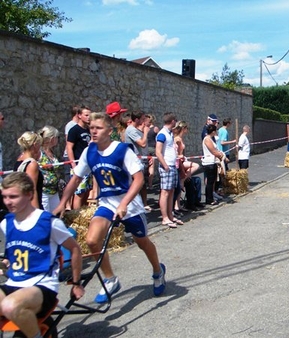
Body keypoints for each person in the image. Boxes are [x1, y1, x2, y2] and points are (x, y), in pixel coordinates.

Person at [54, 112, 166, 304]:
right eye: (91, 128)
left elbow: (138, 180)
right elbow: (76, 179)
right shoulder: (89, 152)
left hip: (129, 205)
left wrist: (124, 204)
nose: (94, 132)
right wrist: (62, 202)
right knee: (91, 240)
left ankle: (158, 270)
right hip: (106, 203)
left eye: (98, 128)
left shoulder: (122, 150)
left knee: (142, 242)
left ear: (109, 130)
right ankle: (110, 279)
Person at [1, 172, 84, 338]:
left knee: (10, 306)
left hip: (41, 285)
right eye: (4, 197)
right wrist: (7, 263)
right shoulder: (6, 223)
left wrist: (76, 283)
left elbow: (75, 249)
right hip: (15, 282)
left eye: (13, 197)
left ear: (29, 194)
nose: (7, 202)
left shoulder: (49, 223)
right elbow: (14, 254)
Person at [154, 113, 182, 228]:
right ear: (172, 121)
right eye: (175, 120)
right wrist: (165, 165)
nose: (176, 122)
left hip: (172, 165)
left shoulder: (169, 133)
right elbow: (158, 152)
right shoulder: (162, 134)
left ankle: (170, 215)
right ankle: (165, 217)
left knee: (171, 192)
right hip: (167, 166)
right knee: (165, 192)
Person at [124, 110, 151, 212]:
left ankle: (141, 205)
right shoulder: (131, 130)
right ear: (136, 119)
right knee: (136, 184)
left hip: (139, 160)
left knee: (142, 183)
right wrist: (145, 132)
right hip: (133, 161)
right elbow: (142, 144)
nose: (144, 121)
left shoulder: (134, 129)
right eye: (143, 119)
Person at [66, 106, 91, 209]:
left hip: (88, 165)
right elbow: (69, 147)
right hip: (79, 165)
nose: (89, 117)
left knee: (86, 192)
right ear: (79, 115)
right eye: (86, 115)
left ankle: (84, 214)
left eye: (90, 115)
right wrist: (73, 165)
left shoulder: (89, 130)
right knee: (79, 193)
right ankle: (77, 216)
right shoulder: (74, 130)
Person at [14, 132, 43, 209]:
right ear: (35, 145)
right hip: (30, 207)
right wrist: (36, 214)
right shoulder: (32, 164)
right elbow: (32, 189)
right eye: (39, 144)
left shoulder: (19, 160)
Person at [38, 126, 63, 212]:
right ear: (52, 139)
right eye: (57, 137)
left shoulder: (52, 151)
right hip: (44, 191)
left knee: (55, 215)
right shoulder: (39, 153)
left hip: (54, 190)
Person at [202, 124, 229, 206]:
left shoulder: (210, 139)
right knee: (210, 181)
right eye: (215, 131)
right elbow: (213, 151)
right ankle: (209, 199)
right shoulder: (207, 139)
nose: (216, 132)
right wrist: (222, 157)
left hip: (212, 161)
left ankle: (210, 197)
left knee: (212, 180)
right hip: (209, 162)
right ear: (213, 131)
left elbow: (216, 150)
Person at [145, 114, 159, 189]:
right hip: (153, 148)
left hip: (146, 149)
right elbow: (158, 140)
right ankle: (150, 184)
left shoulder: (144, 128)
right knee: (152, 166)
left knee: (146, 165)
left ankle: (146, 181)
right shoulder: (155, 128)